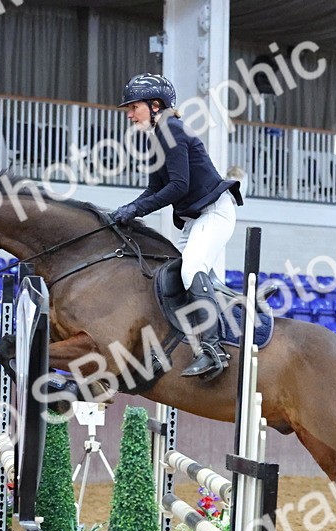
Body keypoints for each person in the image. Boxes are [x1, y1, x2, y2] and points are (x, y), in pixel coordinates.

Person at [108, 73, 244, 381]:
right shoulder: (158, 136)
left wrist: (138, 209)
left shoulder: (172, 129)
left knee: (189, 269)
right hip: (197, 219)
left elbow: (179, 186)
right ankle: (168, 347)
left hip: (215, 212)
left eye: (134, 107)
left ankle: (213, 351)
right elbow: (155, 188)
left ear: (155, 105)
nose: (129, 115)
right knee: (167, 276)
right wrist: (125, 211)